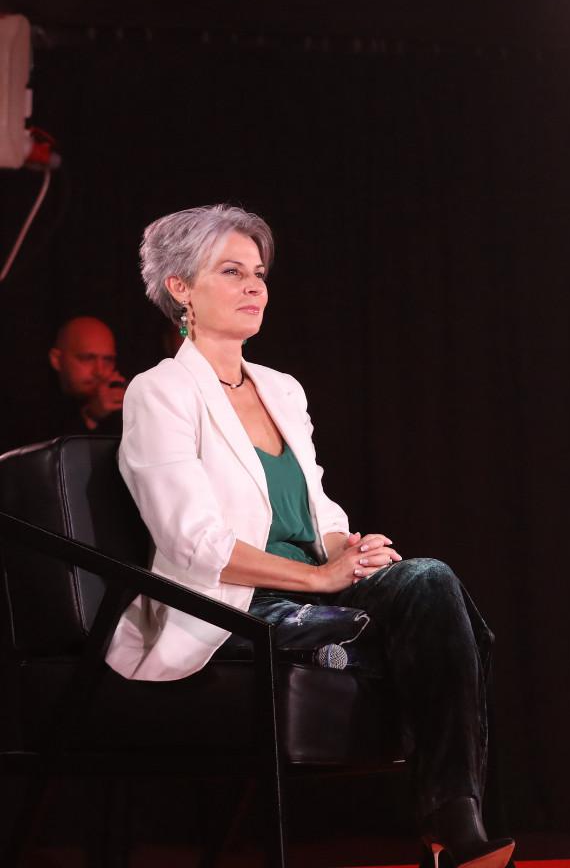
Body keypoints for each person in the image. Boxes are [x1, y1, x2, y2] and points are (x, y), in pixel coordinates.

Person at [113, 204, 510, 868]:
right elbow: (192, 543)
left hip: (312, 585)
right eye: (231, 272)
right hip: (236, 603)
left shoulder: (282, 389)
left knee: (430, 581)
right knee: (444, 629)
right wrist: (319, 577)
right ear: (181, 288)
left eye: (259, 274)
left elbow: (318, 510)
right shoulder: (160, 392)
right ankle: (452, 836)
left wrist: (346, 549)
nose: (254, 287)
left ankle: (453, 821)